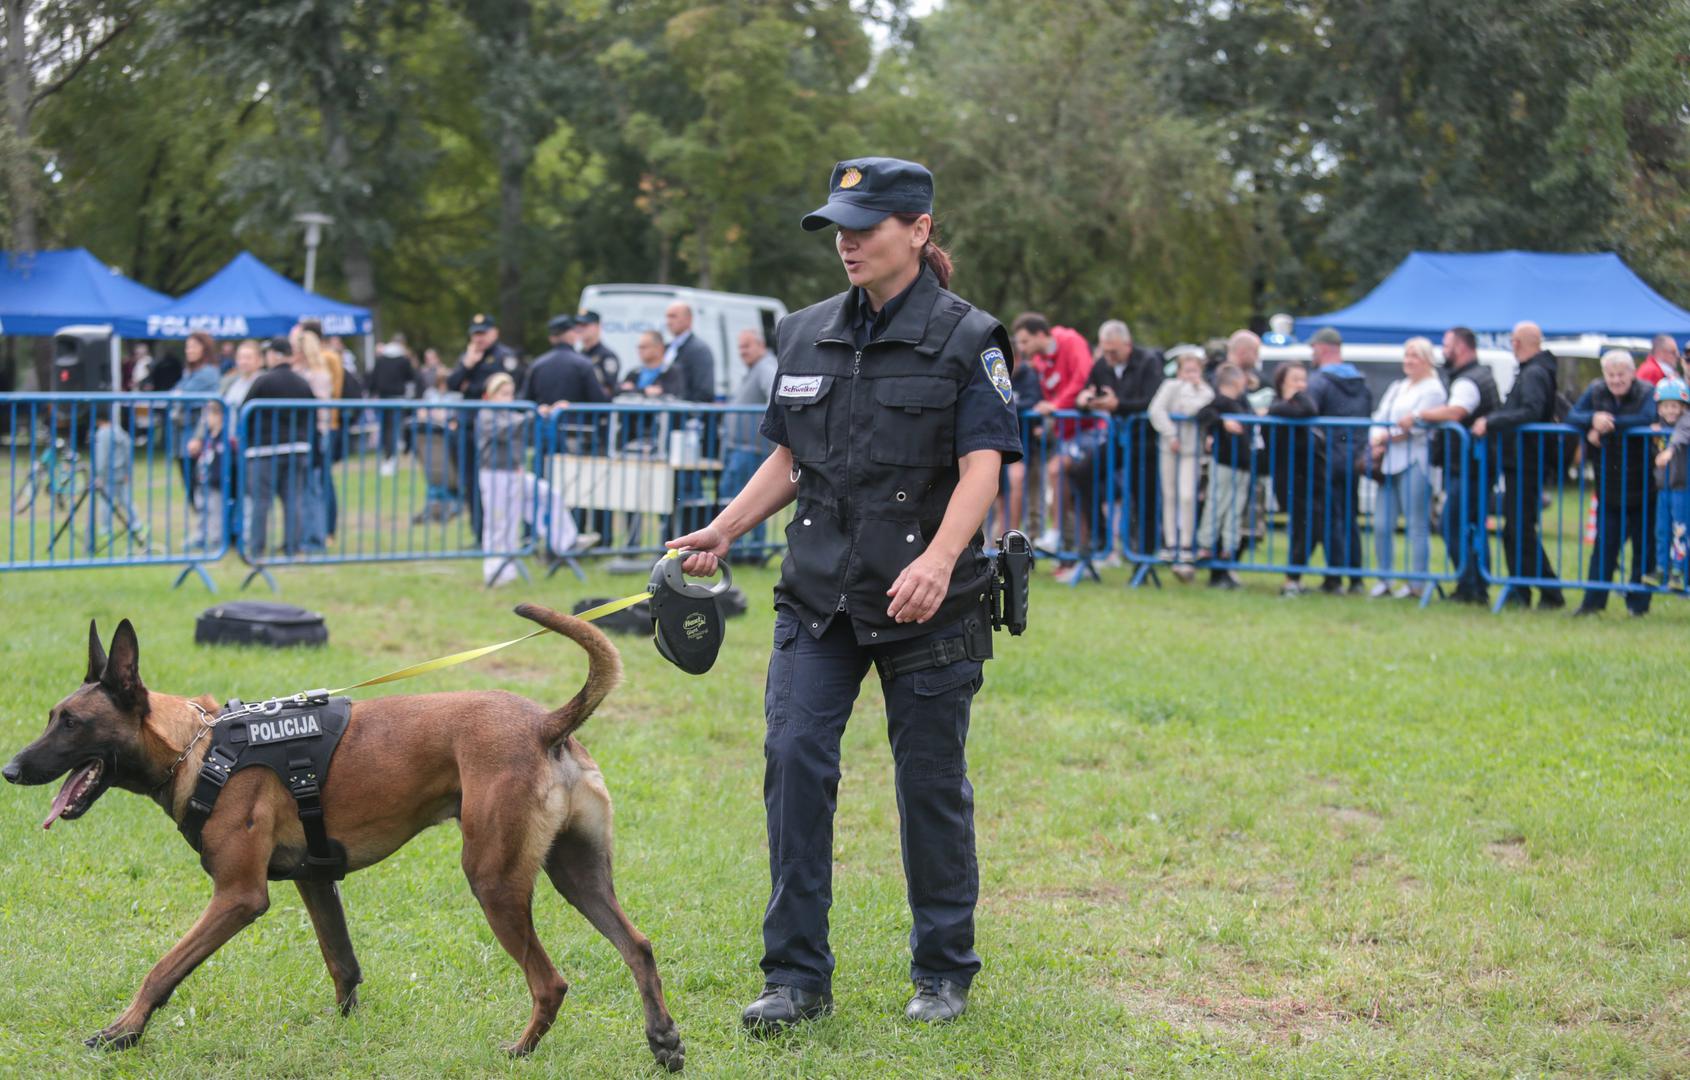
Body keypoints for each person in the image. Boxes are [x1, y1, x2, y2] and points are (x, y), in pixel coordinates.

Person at [667, 157, 1022, 1032]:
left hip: (927, 603)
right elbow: (790, 461)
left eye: (867, 225)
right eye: (839, 226)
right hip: (818, 598)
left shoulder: (969, 336)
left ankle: (943, 973)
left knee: (931, 785)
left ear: (920, 229)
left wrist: (942, 558)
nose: (849, 241)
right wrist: (723, 529)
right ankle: (795, 979)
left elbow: (985, 465)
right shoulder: (803, 333)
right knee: (793, 763)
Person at [1472, 321, 1565, 609]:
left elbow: (1531, 411)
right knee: (1516, 530)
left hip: (1527, 461)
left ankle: (1546, 592)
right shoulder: (1533, 370)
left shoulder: (1535, 372)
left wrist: (1492, 421)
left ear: (1517, 343)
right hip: (1521, 460)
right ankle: (1523, 589)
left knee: (1519, 530)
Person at [1412, 327, 1500, 604]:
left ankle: (1470, 586)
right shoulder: (1477, 376)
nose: (1443, 351)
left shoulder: (1468, 381)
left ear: (1461, 347)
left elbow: (1456, 412)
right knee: (1470, 525)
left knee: (1453, 523)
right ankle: (1474, 586)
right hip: (1472, 464)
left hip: (1469, 466)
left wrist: (1419, 416)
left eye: (1447, 345)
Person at [474, 373, 585, 586]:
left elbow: (522, 423)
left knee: (548, 494)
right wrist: (536, 414)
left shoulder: (510, 413)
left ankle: (566, 541)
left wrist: (547, 412)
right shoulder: (487, 414)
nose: (508, 398)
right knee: (499, 522)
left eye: (510, 393)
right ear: (491, 394)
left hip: (514, 472)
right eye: (503, 393)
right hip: (495, 474)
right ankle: (496, 571)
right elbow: (505, 431)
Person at [1569, 350, 1657, 616]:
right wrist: (1592, 420)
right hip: (1609, 485)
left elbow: (1646, 418)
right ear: (1604, 375)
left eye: (1621, 374)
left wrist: (1607, 424)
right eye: (1611, 375)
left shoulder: (1646, 391)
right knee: (1604, 547)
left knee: (1644, 550)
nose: (1616, 380)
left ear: (1632, 373)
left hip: (1644, 485)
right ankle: (1592, 603)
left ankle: (1638, 605)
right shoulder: (1596, 390)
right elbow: (1573, 415)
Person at [1075, 320, 1163, 562]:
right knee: (1082, 473)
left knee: (1143, 496)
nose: (1109, 356)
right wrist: (1084, 400)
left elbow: (1153, 401)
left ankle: (1143, 557)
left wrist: (1119, 405)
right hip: (1117, 438)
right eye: (1105, 351)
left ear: (1128, 345)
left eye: (1114, 351)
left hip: (1145, 442)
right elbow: (1086, 393)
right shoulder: (1102, 365)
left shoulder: (1149, 363)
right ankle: (1100, 536)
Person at [1367, 337, 1448, 598]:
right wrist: (1377, 438)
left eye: (1414, 356)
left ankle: (1417, 583)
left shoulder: (1433, 389)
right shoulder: (1397, 386)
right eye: (1406, 355)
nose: (1408, 361)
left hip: (1415, 460)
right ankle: (1384, 578)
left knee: (1416, 525)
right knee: (1381, 523)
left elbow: (1413, 426)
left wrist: (1387, 436)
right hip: (1389, 460)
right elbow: (1380, 417)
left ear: (1427, 360)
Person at [1012, 312, 1092, 556]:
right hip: (1065, 432)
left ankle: (1062, 538)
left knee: (1059, 474)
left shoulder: (1070, 341)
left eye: (1025, 341)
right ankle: (1075, 551)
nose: (1022, 348)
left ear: (1040, 334)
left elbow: (1082, 378)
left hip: (1089, 428)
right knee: (1067, 485)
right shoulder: (1040, 361)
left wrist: (1057, 406)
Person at [1305, 327, 1372, 594]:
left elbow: (1310, 414)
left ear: (1322, 348)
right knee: (1350, 517)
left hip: (1326, 458)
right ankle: (1355, 578)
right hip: (1352, 458)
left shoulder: (1319, 382)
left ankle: (1334, 578)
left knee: (1331, 517)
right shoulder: (1360, 383)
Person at [448, 314, 521, 535]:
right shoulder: (469, 356)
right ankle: (478, 531)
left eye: (483, 333)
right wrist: (466, 366)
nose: (478, 338)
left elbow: (494, 388)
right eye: (475, 334)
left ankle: (494, 532)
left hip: (494, 431)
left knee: (493, 485)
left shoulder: (504, 357)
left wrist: (470, 385)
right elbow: (453, 384)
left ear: (494, 333)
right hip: (468, 426)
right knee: (471, 482)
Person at [242, 338, 314, 559]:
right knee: (294, 500)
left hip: (265, 449)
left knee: (261, 501)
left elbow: (247, 410)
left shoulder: (263, 381)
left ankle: (257, 548)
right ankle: (293, 546)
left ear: (273, 355)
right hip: (298, 447)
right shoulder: (302, 383)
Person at [1146, 347, 1214, 576]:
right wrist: (1170, 433)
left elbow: (1194, 410)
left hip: (1191, 450)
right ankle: (1170, 543)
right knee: (1170, 495)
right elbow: (1156, 410)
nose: (1190, 374)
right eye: (1186, 370)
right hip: (1170, 447)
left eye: (1195, 370)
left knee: (1187, 495)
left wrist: (1191, 388)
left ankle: (1186, 544)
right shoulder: (1169, 386)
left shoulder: (1205, 392)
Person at [1266, 362, 1325, 597]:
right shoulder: (1276, 405)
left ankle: (1294, 575)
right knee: (1303, 526)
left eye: (1303, 380)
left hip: (1312, 474)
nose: (1301, 385)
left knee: (1313, 526)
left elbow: (1310, 409)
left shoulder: (1302, 402)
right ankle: (1292, 579)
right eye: (1295, 380)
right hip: (1290, 476)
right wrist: (1293, 401)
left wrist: (1298, 396)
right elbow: (1293, 411)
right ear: (1282, 382)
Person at [721, 328, 779, 559]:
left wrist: (768, 422)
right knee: (738, 499)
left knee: (746, 501)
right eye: (740, 347)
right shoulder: (754, 368)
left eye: (747, 345)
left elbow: (773, 391)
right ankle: (744, 551)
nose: (742, 351)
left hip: (752, 449)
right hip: (742, 448)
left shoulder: (765, 366)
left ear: (761, 346)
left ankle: (751, 552)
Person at [1194, 364, 1252, 588]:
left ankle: (1230, 547)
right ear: (1236, 382)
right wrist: (1222, 423)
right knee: (1218, 503)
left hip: (1243, 465)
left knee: (1235, 508)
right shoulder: (1220, 402)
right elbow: (1203, 414)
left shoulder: (1240, 403)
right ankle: (1206, 544)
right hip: (1226, 462)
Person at [1645, 380, 1690, 590]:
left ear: (1683, 407)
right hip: (1664, 487)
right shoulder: (1660, 426)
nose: (1670, 411)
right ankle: (1661, 568)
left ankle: (1678, 571)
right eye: (1665, 406)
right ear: (1659, 408)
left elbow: (1682, 434)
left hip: (1682, 487)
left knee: (1680, 530)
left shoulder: (1686, 422)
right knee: (1661, 529)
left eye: (1675, 406)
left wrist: (1671, 450)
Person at [174, 332, 223, 496]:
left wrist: (199, 437)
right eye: (188, 347)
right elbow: (175, 394)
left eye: (194, 346)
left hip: (200, 431)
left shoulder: (208, 373)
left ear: (205, 349)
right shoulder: (188, 373)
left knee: (199, 480)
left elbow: (182, 396)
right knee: (188, 480)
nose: (189, 350)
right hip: (184, 433)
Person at [370, 339, 419, 474]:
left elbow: (373, 379)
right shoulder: (403, 360)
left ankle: (390, 457)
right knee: (392, 428)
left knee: (388, 429)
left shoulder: (381, 360)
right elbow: (412, 378)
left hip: (386, 399)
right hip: (396, 399)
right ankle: (391, 456)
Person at [663, 301, 716, 402]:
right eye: (667, 317)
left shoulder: (700, 350)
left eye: (673, 316)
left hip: (683, 414)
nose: (668, 321)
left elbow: (704, 391)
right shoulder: (667, 348)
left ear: (689, 319)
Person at [575, 310, 623, 398]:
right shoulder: (578, 355)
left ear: (597, 327)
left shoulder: (607, 356)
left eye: (585, 325)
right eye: (578, 326)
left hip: (596, 408)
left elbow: (609, 389)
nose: (580, 329)